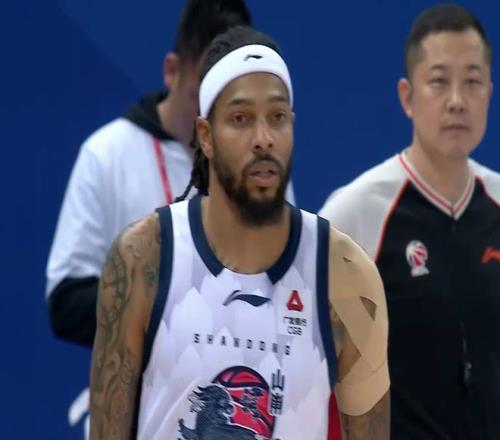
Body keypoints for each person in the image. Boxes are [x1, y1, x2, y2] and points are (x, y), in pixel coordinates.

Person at [89, 26, 390, 439]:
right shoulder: (143, 259)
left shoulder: (347, 275)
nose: (263, 139)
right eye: (241, 119)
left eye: (277, 117)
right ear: (206, 136)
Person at [320, 4, 500, 439]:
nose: (456, 100)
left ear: (489, 93)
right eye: (438, 81)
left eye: (472, 81)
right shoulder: (355, 214)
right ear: (407, 96)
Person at [45, 0, 253, 347]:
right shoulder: (107, 154)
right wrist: (165, 299)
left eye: (227, 104)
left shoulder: (255, 162)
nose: (210, 122)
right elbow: (67, 303)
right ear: (172, 71)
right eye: (200, 99)